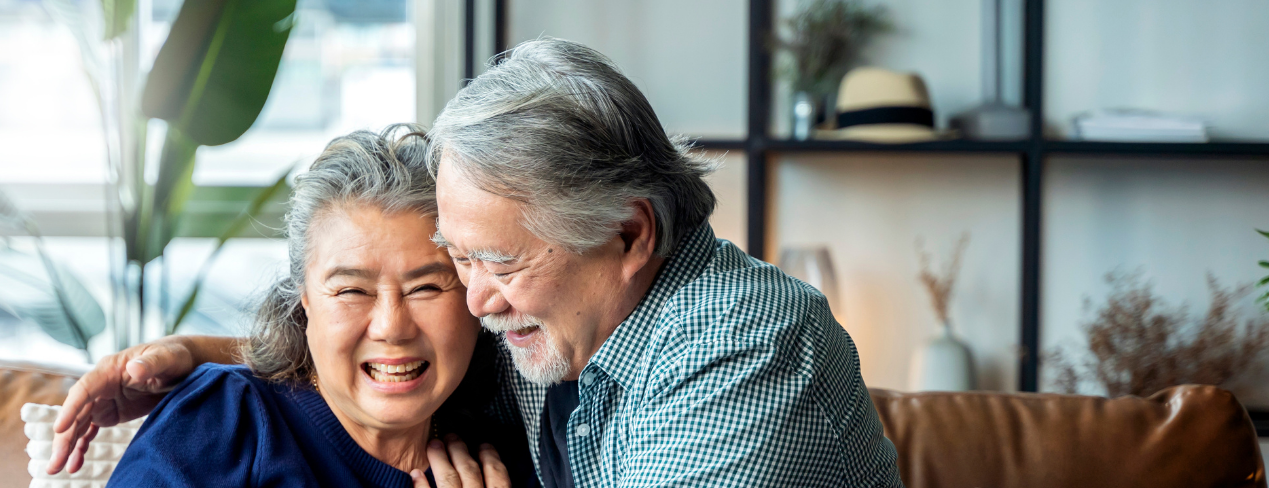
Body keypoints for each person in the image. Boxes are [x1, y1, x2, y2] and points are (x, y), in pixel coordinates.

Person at [55, 38, 903, 487]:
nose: (476, 299)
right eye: (455, 260)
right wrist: (198, 357)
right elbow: (380, 355)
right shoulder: (554, 325)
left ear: (629, 233)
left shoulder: (738, 354)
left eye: (493, 261)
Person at [98, 126, 535, 487]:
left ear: (473, 299)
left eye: (424, 287)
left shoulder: (507, 456)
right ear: (305, 302)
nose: (391, 327)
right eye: (351, 291)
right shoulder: (225, 420)